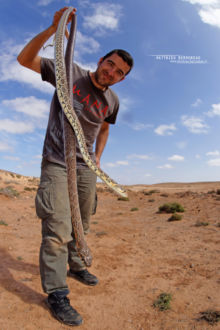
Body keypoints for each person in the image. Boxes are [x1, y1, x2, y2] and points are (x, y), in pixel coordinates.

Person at [17, 6, 134, 327]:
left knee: (82, 221)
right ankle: (56, 292)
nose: (112, 72)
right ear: (101, 61)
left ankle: (77, 264)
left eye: (119, 72)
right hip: (57, 161)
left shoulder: (113, 101)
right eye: (110, 63)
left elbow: (106, 126)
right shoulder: (70, 71)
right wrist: (51, 30)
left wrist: (97, 157)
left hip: (85, 169)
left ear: (122, 79)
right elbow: (24, 61)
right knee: (57, 228)